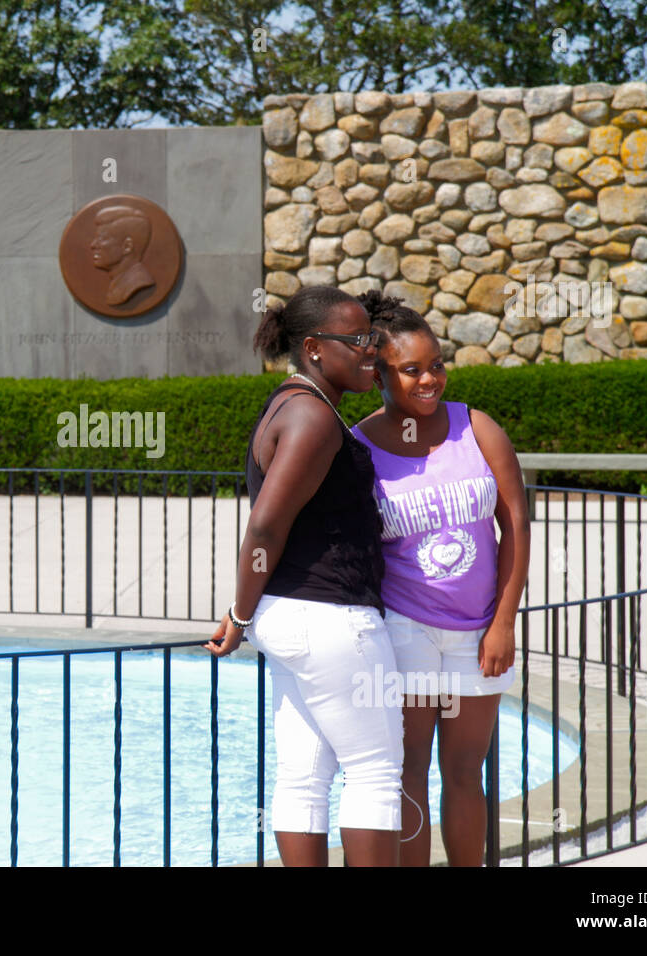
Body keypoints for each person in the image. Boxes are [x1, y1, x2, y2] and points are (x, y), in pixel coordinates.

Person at [206, 285, 404, 867]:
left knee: (303, 778)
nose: (373, 351)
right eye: (359, 341)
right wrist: (239, 615)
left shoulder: (292, 402)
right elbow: (265, 526)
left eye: (373, 337)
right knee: (373, 773)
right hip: (333, 621)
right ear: (315, 347)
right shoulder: (312, 417)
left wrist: (250, 614)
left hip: (293, 621)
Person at [350, 290, 531, 867]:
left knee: (464, 772)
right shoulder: (357, 448)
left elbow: (516, 526)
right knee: (409, 771)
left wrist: (503, 622)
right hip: (405, 631)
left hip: (479, 633)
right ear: (378, 373)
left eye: (436, 365)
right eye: (411, 370)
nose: (429, 380)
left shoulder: (476, 427)